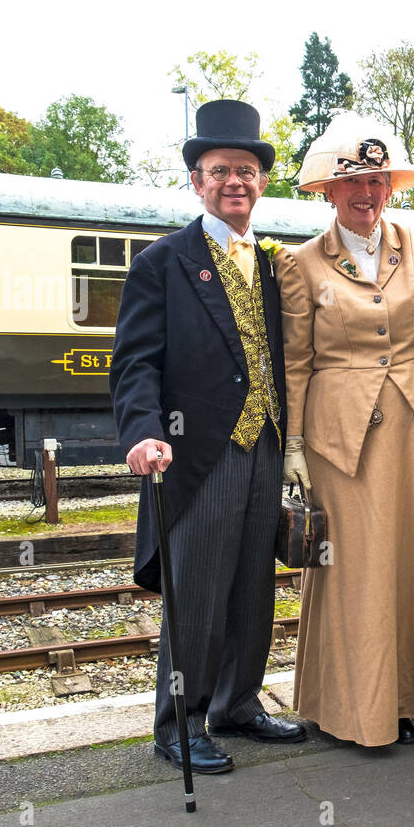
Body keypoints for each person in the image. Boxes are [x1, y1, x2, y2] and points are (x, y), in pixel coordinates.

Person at [110, 99, 307, 774]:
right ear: (197, 180)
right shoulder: (162, 263)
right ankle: (178, 723)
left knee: (254, 584)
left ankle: (237, 703)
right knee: (194, 591)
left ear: (261, 180)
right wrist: (141, 432)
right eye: (220, 169)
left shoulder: (275, 266)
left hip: (266, 446)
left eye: (246, 170)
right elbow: (135, 364)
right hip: (196, 450)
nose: (235, 181)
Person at [274, 115, 414, 748]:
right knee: (354, 568)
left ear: (391, 186)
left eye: (377, 181)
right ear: (327, 190)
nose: (366, 194)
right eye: (351, 183)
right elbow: (296, 359)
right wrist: (293, 444)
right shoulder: (299, 265)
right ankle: (355, 711)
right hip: (340, 440)